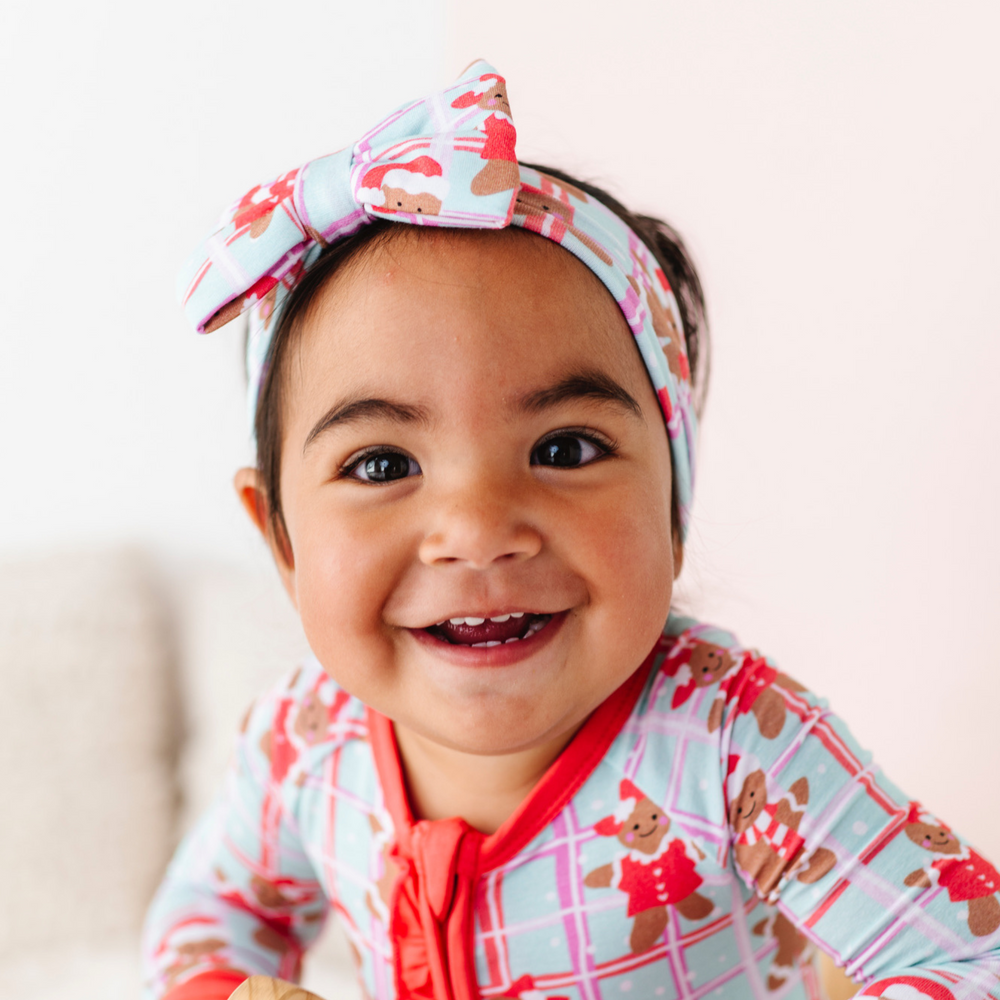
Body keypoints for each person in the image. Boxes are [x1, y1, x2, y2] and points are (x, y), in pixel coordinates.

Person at [143, 62, 1000, 1000]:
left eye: (564, 447)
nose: (476, 531)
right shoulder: (307, 740)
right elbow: (205, 919)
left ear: (672, 508)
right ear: (283, 542)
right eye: (383, 464)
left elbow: (966, 956)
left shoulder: (731, 742)